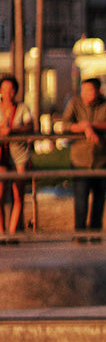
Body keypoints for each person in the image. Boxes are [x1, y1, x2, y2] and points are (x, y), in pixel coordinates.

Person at [61, 76, 106, 237]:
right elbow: (64, 124)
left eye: (90, 90)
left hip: (102, 158)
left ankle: (95, 234)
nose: (86, 93)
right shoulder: (74, 104)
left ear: (98, 91)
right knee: (80, 199)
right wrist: (83, 127)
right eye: (84, 90)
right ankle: (79, 234)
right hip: (80, 159)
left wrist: (91, 125)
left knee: (99, 199)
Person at [0, 74, 34, 237]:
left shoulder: (23, 108)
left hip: (19, 155)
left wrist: (13, 130)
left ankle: (12, 234)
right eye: (5, 89)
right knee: (0, 195)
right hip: (1, 155)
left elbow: (30, 126)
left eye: (11, 89)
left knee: (18, 195)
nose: (8, 93)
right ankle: (1, 232)